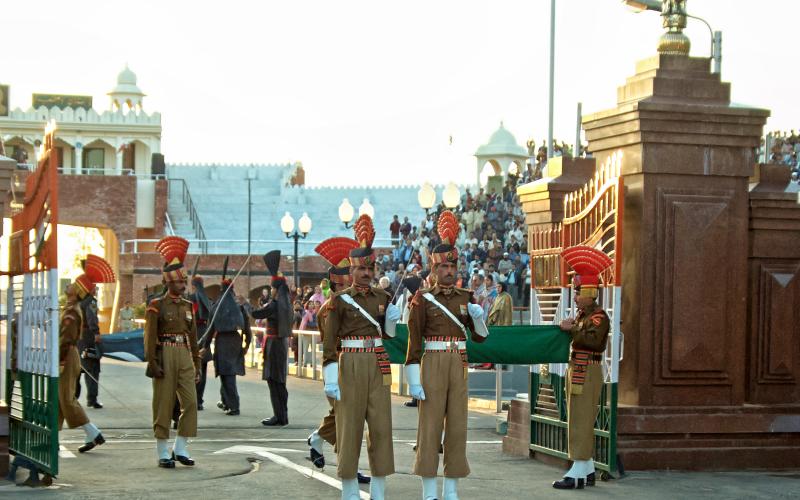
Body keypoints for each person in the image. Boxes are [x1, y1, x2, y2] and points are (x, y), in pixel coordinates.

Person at [405, 211, 489, 500]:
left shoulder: (467, 298)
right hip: (433, 362)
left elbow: (480, 337)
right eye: (444, 267)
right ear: (433, 269)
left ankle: (451, 489)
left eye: (453, 266)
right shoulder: (423, 299)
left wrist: (478, 318)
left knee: (457, 425)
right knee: (429, 427)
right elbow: (414, 342)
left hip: (459, 363)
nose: (449, 271)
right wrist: (413, 379)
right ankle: (429, 491)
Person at [322, 214, 401, 500]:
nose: (367, 273)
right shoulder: (339, 300)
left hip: (378, 360)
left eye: (371, 268)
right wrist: (330, 375)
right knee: (349, 427)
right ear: (351, 270)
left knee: (381, 427)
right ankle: (349, 490)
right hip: (351, 362)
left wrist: (392, 320)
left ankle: (379, 490)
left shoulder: (383, 297)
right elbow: (330, 341)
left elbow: (389, 335)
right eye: (361, 269)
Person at [306, 236, 372, 484]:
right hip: (340, 366)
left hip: (357, 367)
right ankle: (347, 467)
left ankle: (318, 440)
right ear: (336, 285)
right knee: (346, 420)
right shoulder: (329, 309)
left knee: (348, 417)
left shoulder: (350, 305)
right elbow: (332, 345)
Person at [552, 245, 612, 490]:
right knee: (577, 417)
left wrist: (572, 330)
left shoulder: (598, 318)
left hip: (588, 370)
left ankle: (577, 472)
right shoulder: (582, 316)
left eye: (578, 292)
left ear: (590, 292)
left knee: (582, 419)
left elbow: (595, 342)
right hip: (578, 369)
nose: (575, 296)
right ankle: (586, 469)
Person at [145, 236, 201, 468]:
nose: (184, 285)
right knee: (164, 403)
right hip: (165, 354)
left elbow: (193, 338)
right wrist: (152, 362)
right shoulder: (156, 305)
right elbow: (149, 337)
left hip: (184, 354)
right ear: (170, 282)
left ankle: (180, 447)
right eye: (180, 282)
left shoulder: (188, 306)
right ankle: (162, 451)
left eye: (185, 281)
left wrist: (196, 363)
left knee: (190, 402)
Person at [60, 256, 115, 452]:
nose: (69, 287)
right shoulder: (72, 307)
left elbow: (66, 339)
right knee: (61, 399)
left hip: (70, 353)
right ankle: (54, 438)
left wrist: (59, 359)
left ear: (79, 291)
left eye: (74, 286)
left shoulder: (73, 311)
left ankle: (93, 431)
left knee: (66, 398)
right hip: (74, 350)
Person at [250, 250, 292, 426]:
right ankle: (282, 415)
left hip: (274, 345)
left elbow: (257, 312)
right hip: (279, 344)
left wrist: (245, 306)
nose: (271, 291)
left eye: (273, 288)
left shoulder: (274, 305)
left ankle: (279, 415)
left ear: (277, 289)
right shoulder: (286, 304)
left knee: (274, 381)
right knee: (279, 381)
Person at [209, 277, 250, 416]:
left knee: (227, 375)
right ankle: (226, 401)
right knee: (227, 374)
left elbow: (210, 328)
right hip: (235, 340)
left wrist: (206, 344)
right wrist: (246, 344)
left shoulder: (216, 306)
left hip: (223, 341)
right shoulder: (239, 307)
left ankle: (234, 406)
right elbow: (247, 328)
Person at [76, 257, 105, 409]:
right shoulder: (91, 302)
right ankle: (91, 399)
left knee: (76, 369)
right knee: (92, 369)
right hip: (88, 338)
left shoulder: (77, 301)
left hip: (77, 338)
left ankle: (73, 398)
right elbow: (92, 318)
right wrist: (96, 333)